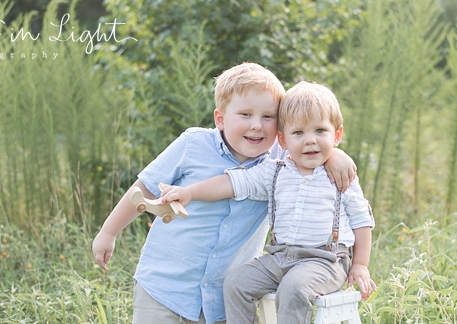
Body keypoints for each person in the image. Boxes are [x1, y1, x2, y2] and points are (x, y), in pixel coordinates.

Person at [91, 63, 358, 324]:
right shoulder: (193, 144)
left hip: (221, 300)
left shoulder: (281, 160)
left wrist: (335, 155)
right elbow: (144, 187)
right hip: (165, 289)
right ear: (220, 119)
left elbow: (312, 143)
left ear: (280, 130)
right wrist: (108, 232)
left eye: (268, 117)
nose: (257, 125)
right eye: (245, 115)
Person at [160, 81, 376, 323]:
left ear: (336, 135)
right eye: (298, 133)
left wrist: (360, 264)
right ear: (282, 141)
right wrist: (189, 193)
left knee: (293, 287)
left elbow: (361, 220)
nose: (310, 140)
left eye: (320, 131)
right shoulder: (274, 171)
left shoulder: (340, 176)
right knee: (235, 282)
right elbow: (231, 183)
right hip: (280, 257)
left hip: (327, 261)